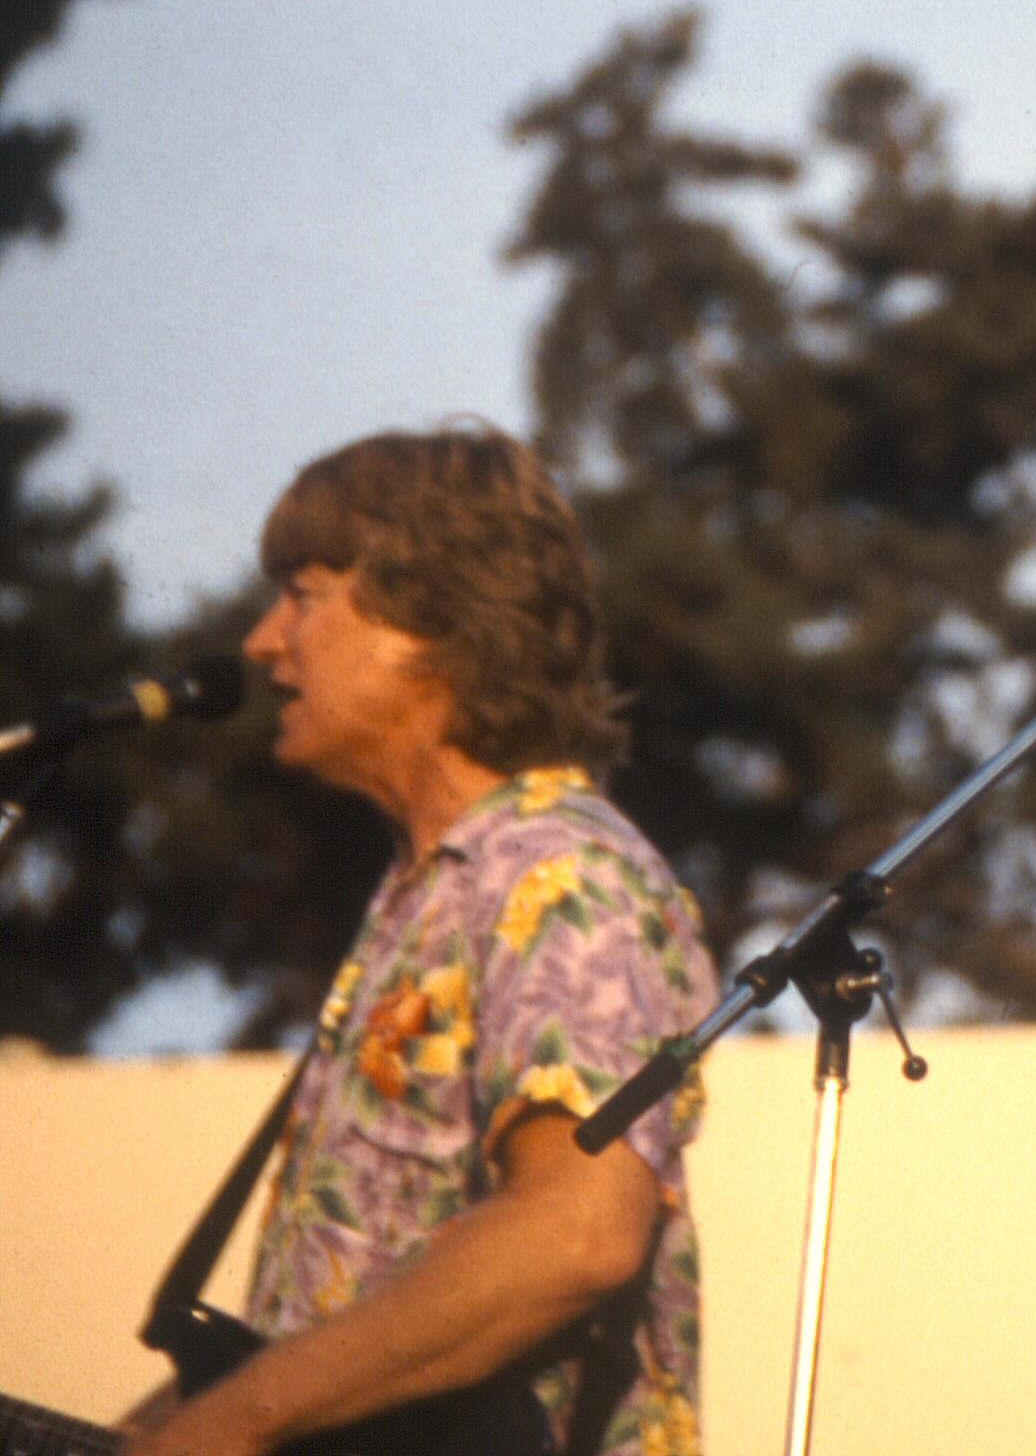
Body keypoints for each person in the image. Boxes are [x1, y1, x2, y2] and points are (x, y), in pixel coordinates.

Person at [123, 426, 712, 1456]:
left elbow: (577, 1229)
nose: (263, 640)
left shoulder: (557, 876)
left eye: (304, 593)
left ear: (430, 622)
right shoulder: (426, 893)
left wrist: (240, 1416)